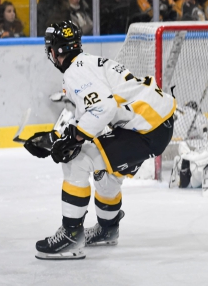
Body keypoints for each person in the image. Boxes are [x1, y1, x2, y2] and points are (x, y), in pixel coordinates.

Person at [23, 20, 176, 260]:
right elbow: (90, 114)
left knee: (77, 160)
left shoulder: (75, 72)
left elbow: (102, 108)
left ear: (53, 51)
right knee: (106, 172)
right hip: (156, 125)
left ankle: (71, 235)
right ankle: (107, 229)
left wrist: (73, 140)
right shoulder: (87, 63)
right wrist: (55, 137)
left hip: (146, 129)